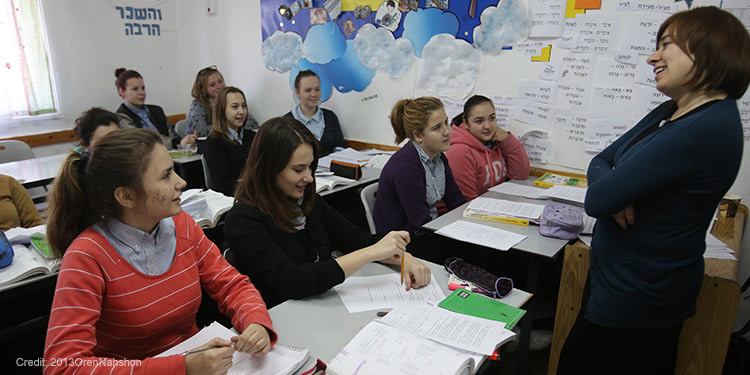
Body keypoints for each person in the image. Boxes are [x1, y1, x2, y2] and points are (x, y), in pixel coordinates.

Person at [558, 7, 750, 374]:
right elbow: (601, 159)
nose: (652, 57)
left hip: (636, 301)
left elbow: (597, 199)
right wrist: (617, 190)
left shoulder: (698, 130)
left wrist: (614, 191)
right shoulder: (674, 110)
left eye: (667, 44)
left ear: (710, 49)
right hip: (620, 285)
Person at [43, 128, 276, 374]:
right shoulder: (86, 257)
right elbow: (62, 366)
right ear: (126, 196)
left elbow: (232, 286)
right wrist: (182, 367)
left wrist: (256, 322)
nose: (181, 182)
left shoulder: (182, 225)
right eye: (166, 176)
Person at [224, 117, 430, 308]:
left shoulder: (306, 201)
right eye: (298, 169)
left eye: (310, 167)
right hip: (285, 316)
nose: (309, 177)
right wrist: (373, 252)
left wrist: (404, 257)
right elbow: (291, 281)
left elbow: (356, 239)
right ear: (269, 169)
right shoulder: (243, 220)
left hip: (321, 304)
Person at [373, 97, 466, 263]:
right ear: (418, 135)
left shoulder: (439, 157)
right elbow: (420, 225)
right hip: (403, 244)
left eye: (446, 122)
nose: (447, 131)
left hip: (426, 232)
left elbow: (456, 202)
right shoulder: (406, 166)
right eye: (437, 127)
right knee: (471, 252)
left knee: (479, 248)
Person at [445, 95, 530, 200]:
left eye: (492, 118)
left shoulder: (497, 142)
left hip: (491, 206)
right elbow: (465, 201)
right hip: (465, 211)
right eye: (479, 121)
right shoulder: (459, 152)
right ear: (466, 124)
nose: (488, 126)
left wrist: (508, 140)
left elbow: (521, 175)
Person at [113, 67, 196, 149]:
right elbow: (143, 145)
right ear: (122, 92)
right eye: (135, 89)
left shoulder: (157, 110)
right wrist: (175, 143)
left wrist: (184, 141)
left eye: (143, 88)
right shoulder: (121, 117)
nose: (141, 93)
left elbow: (174, 138)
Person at [202, 86, 256, 196]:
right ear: (222, 110)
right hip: (237, 198)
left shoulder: (253, 136)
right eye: (235, 107)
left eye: (244, 106)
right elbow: (222, 186)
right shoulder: (214, 143)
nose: (241, 111)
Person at [284, 70, 346, 156]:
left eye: (317, 89)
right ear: (297, 93)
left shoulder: (330, 117)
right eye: (308, 90)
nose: (314, 94)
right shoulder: (286, 123)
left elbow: (340, 147)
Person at [185, 66, 259, 137]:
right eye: (212, 85)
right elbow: (199, 131)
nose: (219, 86)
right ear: (202, 89)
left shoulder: (230, 99)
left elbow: (253, 124)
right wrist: (230, 125)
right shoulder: (198, 105)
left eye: (220, 81)